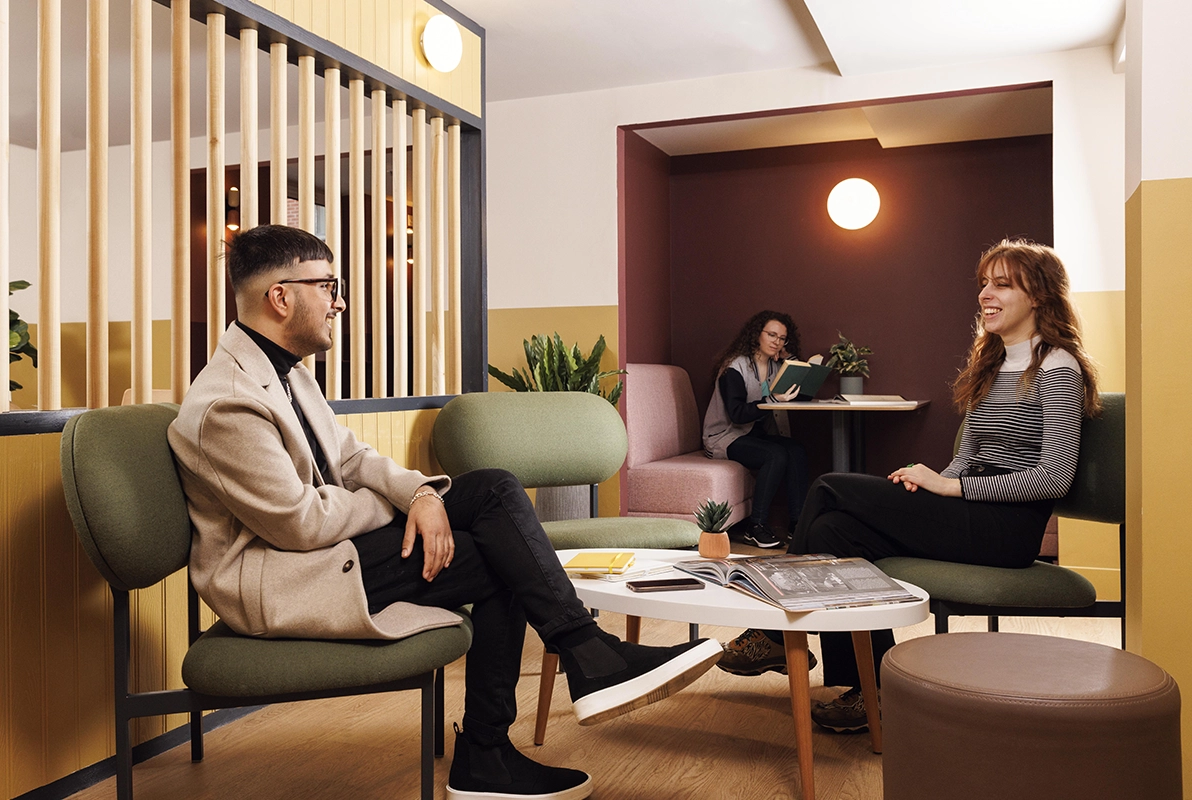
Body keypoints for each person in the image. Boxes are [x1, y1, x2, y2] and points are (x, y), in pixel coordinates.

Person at [168, 224, 722, 800]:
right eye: (328, 284)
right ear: (280, 297)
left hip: (327, 551)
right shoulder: (228, 403)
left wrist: (422, 495)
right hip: (280, 581)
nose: (340, 300)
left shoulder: (287, 372)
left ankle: (574, 667)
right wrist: (402, 504)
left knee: (494, 493)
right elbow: (299, 522)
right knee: (498, 548)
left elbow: (353, 458)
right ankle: (519, 721)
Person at [717, 239, 1100, 733]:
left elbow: (1055, 478)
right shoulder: (995, 363)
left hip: (1005, 530)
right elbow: (969, 456)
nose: (986, 293)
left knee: (830, 486)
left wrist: (948, 490)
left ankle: (772, 633)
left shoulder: (1057, 368)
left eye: (1002, 284)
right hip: (967, 513)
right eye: (985, 282)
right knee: (834, 532)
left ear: (1040, 298)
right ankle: (872, 688)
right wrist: (935, 480)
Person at [701, 310, 810, 550]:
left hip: (751, 434)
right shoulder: (734, 368)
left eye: (782, 338)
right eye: (771, 335)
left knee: (796, 449)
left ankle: (798, 524)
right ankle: (756, 526)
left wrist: (791, 360)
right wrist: (773, 400)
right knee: (776, 454)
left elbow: (798, 393)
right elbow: (737, 414)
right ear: (756, 334)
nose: (776, 342)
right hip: (724, 437)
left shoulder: (775, 366)